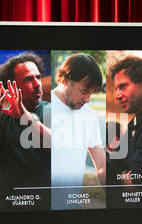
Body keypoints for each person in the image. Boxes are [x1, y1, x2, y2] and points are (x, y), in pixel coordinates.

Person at [0, 52, 51, 210]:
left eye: (38, 77)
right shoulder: (2, 115)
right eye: (29, 79)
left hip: (45, 205)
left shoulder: (52, 110)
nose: (37, 84)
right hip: (8, 204)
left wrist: (23, 114)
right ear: (12, 86)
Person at [51, 53, 105, 209]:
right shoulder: (44, 107)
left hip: (73, 209)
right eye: (84, 91)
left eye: (92, 93)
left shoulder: (89, 115)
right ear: (66, 80)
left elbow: (101, 164)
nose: (88, 99)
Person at [106, 56, 142, 205]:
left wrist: (122, 176)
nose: (117, 95)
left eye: (122, 86)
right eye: (116, 89)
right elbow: (113, 165)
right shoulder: (135, 122)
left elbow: (138, 186)